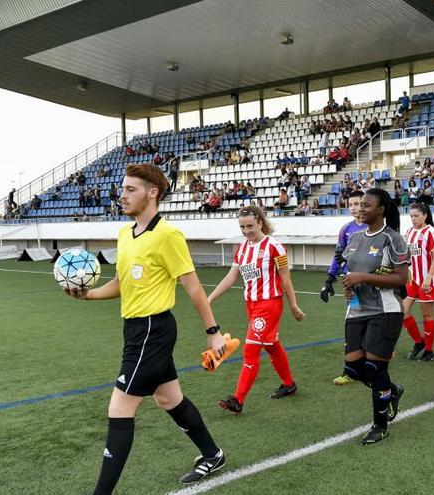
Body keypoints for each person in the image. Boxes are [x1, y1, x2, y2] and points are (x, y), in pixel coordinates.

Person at [64, 163, 229, 492]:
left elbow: (194, 288)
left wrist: (213, 334)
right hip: (135, 330)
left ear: (152, 193)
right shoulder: (125, 234)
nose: (122, 195)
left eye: (130, 189)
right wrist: (89, 295)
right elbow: (122, 283)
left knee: (119, 406)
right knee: (168, 399)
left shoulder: (168, 236)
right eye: (122, 189)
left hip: (154, 329)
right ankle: (212, 455)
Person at [207, 206, 305, 413]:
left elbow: (286, 278)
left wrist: (293, 304)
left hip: (269, 304)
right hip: (251, 305)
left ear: (260, 222)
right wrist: (209, 299)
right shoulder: (242, 249)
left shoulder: (275, 247)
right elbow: (231, 277)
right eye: (242, 227)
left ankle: (237, 400)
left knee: (250, 351)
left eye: (250, 226)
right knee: (271, 345)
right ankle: (289, 384)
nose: (246, 231)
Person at [338, 188, 408, 445]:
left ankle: (380, 426)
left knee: (375, 367)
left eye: (366, 205)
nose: (360, 209)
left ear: (380, 210)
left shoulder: (393, 239)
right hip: (356, 310)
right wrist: (348, 288)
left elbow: (402, 279)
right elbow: (350, 272)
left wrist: (363, 278)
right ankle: (391, 390)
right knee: (353, 367)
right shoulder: (355, 238)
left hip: (385, 310)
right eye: (359, 205)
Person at [402, 203, 434, 361]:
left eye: (416, 215)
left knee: (427, 316)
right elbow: (407, 256)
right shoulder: (409, 232)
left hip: (427, 281)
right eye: (411, 216)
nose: (413, 219)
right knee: (403, 313)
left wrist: (428, 277)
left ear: (425, 215)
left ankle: (429, 350)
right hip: (412, 280)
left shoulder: (431, 232)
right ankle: (419, 342)